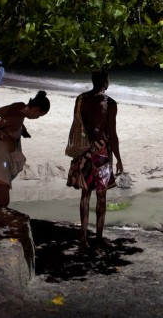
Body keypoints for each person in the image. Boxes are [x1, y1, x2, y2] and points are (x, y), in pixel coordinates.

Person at [66, 70, 124, 248]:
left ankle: (83, 237)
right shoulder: (109, 103)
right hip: (101, 151)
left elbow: (77, 125)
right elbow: (112, 135)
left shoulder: (81, 99)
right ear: (105, 82)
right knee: (101, 195)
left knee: (85, 194)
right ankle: (98, 237)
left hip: (83, 149)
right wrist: (118, 158)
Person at [0, 90, 50, 207]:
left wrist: (19, 128)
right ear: (35, 110)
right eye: (39, 115)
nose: (37, 118)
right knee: (2, 202)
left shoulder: (20, 106)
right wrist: (6, 138)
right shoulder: (16, 117)